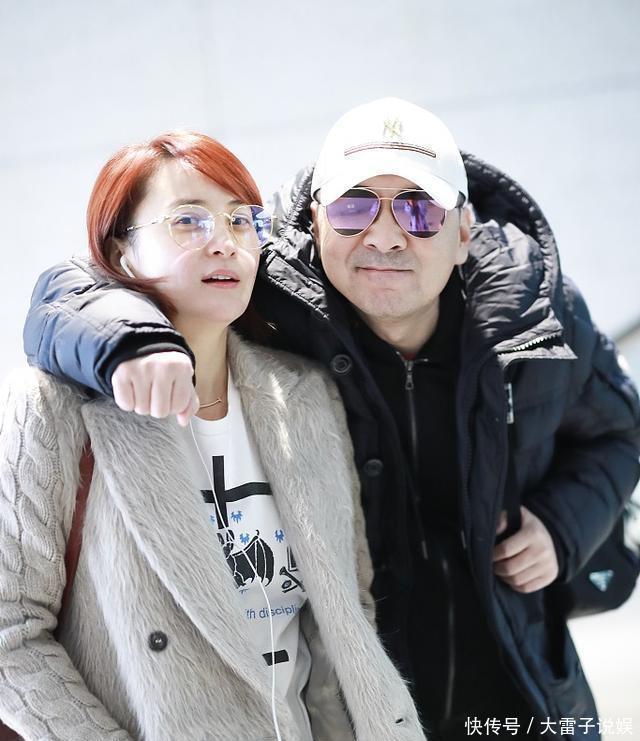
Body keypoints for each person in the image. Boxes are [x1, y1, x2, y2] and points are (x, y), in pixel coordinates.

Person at [18, 98, 640, 739]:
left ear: (462, 232)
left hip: (520, 682)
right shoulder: (272, 294)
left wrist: (562, 526)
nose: (386, 236)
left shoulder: (534, 312)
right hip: (371, 698)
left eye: (420, 211)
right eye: (353, 207)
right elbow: (74, 290)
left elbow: (619, 433)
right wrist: (131, 341)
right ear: (315, 222)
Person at [0, 131, 427, 741]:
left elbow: (344, 609)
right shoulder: (52, 406)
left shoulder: (304, 393)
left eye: (240, 220)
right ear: (122, 251)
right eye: (188, 221)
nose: (225, 242)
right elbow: (10, 632)